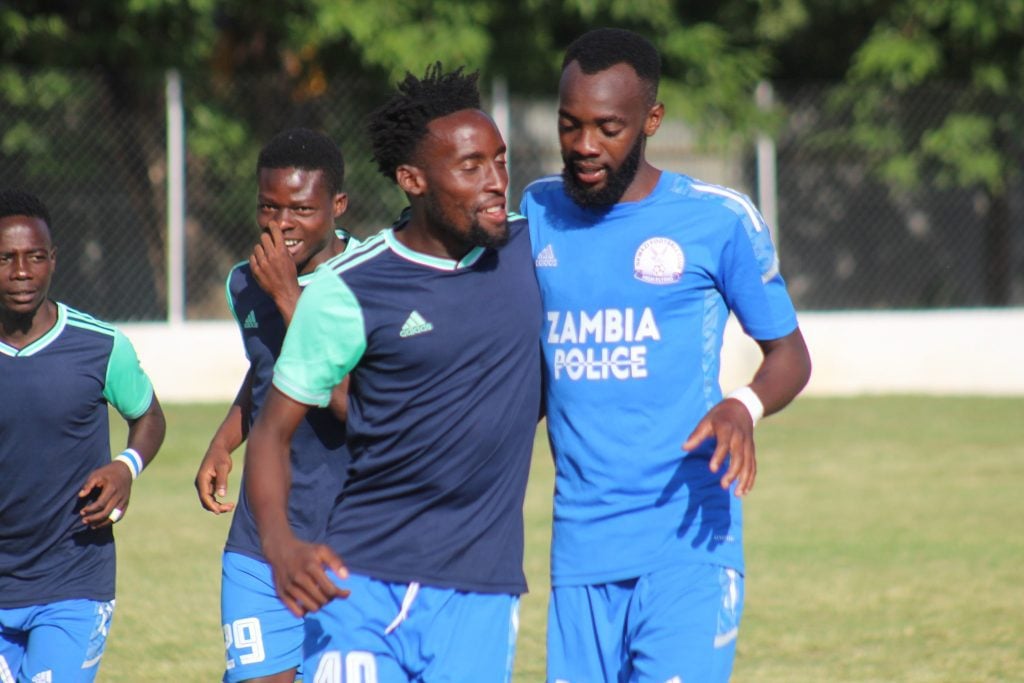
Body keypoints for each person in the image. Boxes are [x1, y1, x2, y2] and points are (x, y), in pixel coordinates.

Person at [519, 28, 813, 683]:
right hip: (580, 551)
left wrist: (743, 405)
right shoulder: (536, 213)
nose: (584, 145)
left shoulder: (716, 220)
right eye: (570, 125)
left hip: (688, 544)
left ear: (651, 120)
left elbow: (790, 355)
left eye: (607, 127)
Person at [243, 63, 542, 682]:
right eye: (470, 167)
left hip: (481, 591)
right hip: (361, 583)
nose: (496, 184)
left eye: (500, 161)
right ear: (413, 180)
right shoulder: (347, 290)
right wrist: (278, 544)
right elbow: (271, 431)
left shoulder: (534, 253)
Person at [193, 128, 352, 683]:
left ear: (338, 206)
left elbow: (362, 409)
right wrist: (223, 439)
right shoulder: (246, 282)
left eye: (301, 210)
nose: (280, 225)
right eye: (268, 206)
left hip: (351, 546)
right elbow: (266, 369)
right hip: (259, 543)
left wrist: (291, 299)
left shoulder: (374, 280)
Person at [0, 189, 166, 682]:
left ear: (53, 260)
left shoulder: (100, 345)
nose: (21, 272)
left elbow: (149, 416)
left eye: (34, 257)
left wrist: (125, 466)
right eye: (5, 259)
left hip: (72, 580)